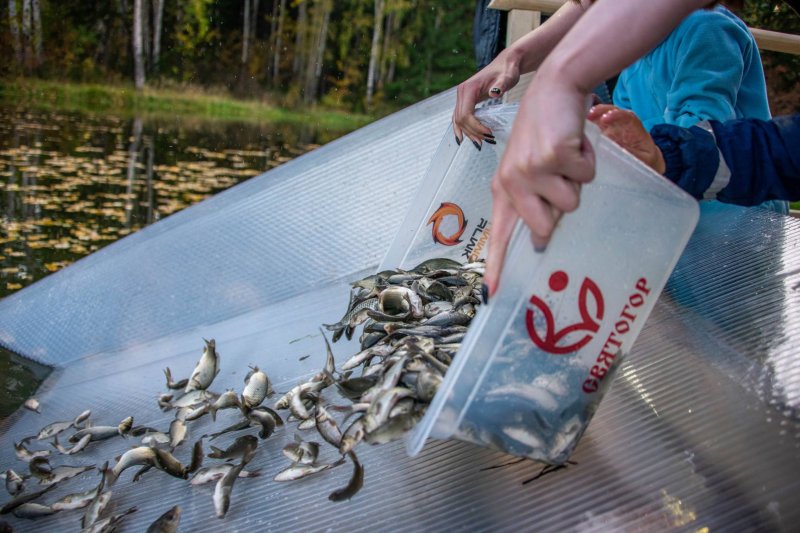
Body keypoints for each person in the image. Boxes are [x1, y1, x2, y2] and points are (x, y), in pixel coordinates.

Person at [470, 0, 785, 298]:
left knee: (734, 338)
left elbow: (702, 133)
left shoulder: (707, 29)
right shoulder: (636, 58)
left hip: (737, 233)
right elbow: (630, 144)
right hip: (674, 231)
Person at [588, 105, 800, 206]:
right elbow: (770, 152)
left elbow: (704, 109)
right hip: (674, 206)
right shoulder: (631, 60)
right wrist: (663, 158)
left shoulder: (705, 30)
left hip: (731, 227)